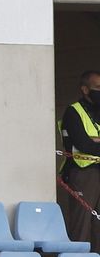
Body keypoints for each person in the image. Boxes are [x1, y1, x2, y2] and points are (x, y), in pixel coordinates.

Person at [60, 71, 100, 247]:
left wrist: (96, 140)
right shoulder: (73, 111)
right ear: (85, 89)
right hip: (84, 172)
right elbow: (84, 144)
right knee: (81, 223)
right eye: (97, 88)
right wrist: (93, 142)